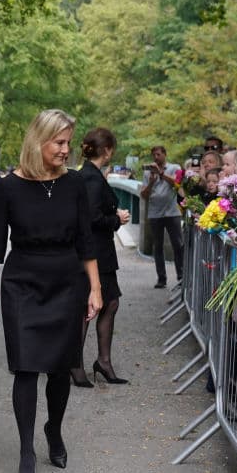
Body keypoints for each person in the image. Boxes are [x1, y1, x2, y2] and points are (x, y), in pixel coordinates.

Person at [0, 109, 102, 473]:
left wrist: (95, 289)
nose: (67, 150)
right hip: (23, 284)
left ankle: (54, 429)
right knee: (27, 367)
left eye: (68, 143)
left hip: (67, 282)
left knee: (60, 368)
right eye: (59, 143)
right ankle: (26, 449)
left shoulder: (75, 184)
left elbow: (86, 241)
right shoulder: (8, 187)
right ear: (39, 142)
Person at [70, 127, 130, 388]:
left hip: (96, 251)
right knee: (93, 305)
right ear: (107, 150)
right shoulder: (92, 179)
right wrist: (117, 218)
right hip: (95, 251)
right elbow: (92, 218)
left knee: (109, 302)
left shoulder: (87, 175)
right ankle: (79, 362)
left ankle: (101, 361)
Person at [139, 145, 183, 288]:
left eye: (158, 155)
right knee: (157, 246)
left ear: (164, 154)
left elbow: (177, 184)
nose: (156, 158)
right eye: (154, 155)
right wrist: (151, 182)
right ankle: (161, 278)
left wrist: (161, 174)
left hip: (172, 212)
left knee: (178, 244)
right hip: (155, 214)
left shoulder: (174, 168)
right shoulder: (148, 173)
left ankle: (181, 276)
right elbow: (144, 195)